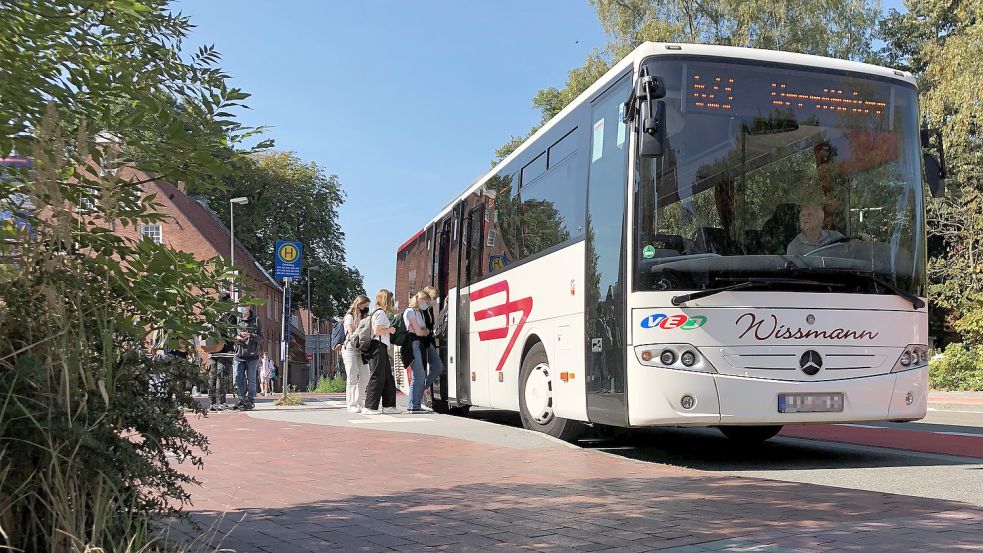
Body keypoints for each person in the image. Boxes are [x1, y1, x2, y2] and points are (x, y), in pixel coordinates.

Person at [362, 289, 399, 415]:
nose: (392, 302)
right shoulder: (380, 313)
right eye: (390, 299)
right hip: (378, 345)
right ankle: (369, 407)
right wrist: (390, 330)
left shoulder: (375, 312)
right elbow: (377, 331)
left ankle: (389, 406)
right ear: (386, 300)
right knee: (377, 376)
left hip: (380, 346)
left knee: (387, 376)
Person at [204, 292, 237, 411]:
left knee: (212, 377)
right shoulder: (231, 317)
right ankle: (221, 402)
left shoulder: (213, 316)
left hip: (213, 350)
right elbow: (232, 334)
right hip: (226, 350)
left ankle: (211, 402)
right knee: (221, 377)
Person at [342, 295, 372, 413]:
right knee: (352, 376)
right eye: (365, 306)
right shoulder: (350, 317)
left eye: (368, 307)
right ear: (358, 305)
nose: (366, 309)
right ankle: (351, 404)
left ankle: (359, 401)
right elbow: (351, 332)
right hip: (350, 348)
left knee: (365, 376)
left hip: (361, 349)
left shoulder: (365, 318)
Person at [233, 305, 263, 411]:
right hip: (239, 354)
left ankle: (250, 401)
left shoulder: (256, 320)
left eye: (244, 307)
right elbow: (231, 336)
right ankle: (241, 399)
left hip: (252, 355)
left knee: (251, 379)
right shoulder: (236, 319)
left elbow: (261, 338)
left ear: (248, 307)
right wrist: (238, 337)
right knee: (238, 378)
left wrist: (250, 335)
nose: (242, 310)